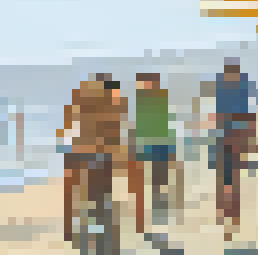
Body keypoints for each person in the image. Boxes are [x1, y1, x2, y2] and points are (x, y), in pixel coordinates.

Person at [57, 74, 129, 245]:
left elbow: (69, 127)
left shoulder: (84, 102)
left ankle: (77, 234)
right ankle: (97, 242)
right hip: (91, 155)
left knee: (90, 199)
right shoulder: (101, 107)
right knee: (98, 202)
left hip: (85, 154)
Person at [210, 61, 258, 234]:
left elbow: (244, 115)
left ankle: (229, 216)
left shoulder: (231, 90)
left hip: (232, 136)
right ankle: (228, 215)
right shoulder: (235, 90)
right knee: (229, 177)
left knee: (230, 177)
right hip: (230, 136)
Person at [129, 71, 179, 226]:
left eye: (143, 83)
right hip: (146, 144)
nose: (140, 87)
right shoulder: (141, 99)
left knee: (158, 181)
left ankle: (157, 212)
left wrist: (170, 147)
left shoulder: (159, 98)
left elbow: (166, 123)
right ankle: (142, 216)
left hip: (159, 144)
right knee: (141, 182)